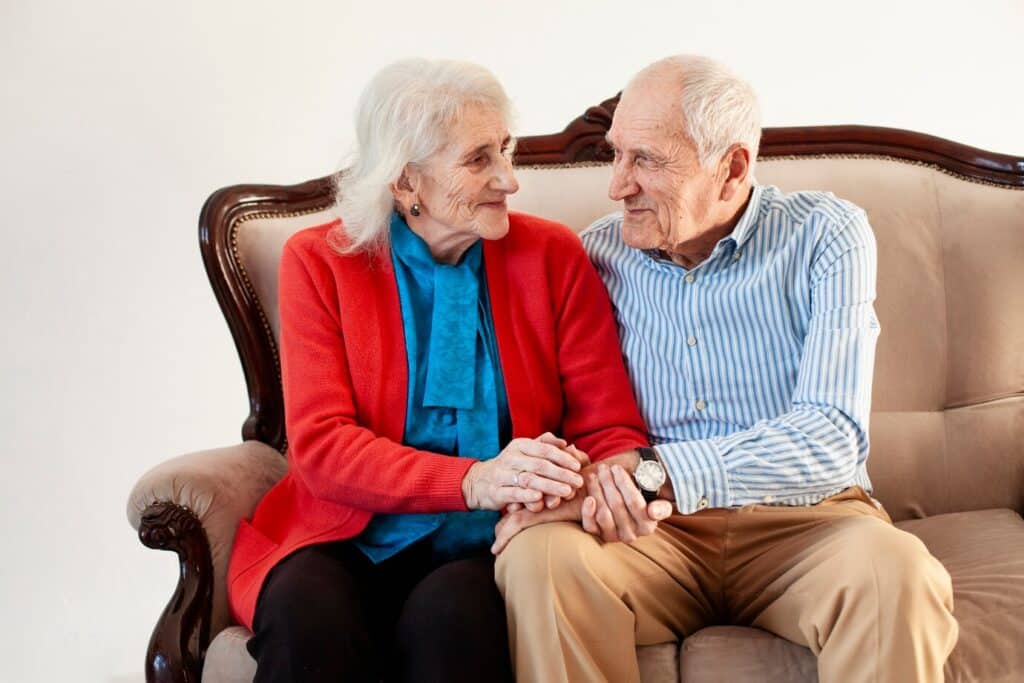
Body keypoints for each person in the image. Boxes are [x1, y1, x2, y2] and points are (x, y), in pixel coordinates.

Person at [492, 55, 958, 683]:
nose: (617, 185)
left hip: (808, 522)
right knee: (538, 560)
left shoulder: (826, 235)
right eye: (617, 155)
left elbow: (832, 437)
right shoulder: (594, 255)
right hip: (650, 535)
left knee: (896, 572)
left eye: (647, 161)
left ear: (732, 167)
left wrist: (655, 474)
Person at [224, 58, 648, 683]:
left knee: (454, 625)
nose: (509, 179)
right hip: (343, 532)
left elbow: (610, 430)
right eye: (479, 160)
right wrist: (474, 479)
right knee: (304, 619)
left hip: (490, 542)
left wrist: (586, 488)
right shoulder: (321, 262)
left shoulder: (552, 254)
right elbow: (321, 447)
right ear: (404, 183)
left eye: (506, 150)